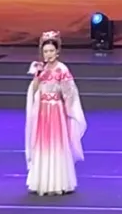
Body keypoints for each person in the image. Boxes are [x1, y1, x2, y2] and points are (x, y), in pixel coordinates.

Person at [25, 31, 87, 195]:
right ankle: (42, 181)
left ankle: (57, 182)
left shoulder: (62, 69)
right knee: (42, 144)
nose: (49, 54)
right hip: (43, 111)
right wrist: (37, 75)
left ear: (57, 51)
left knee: (56, 144)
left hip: (56, 111)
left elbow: (69, 93)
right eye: (46, 51)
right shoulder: (40, 68)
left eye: (51, 51)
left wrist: (67, 109)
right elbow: (34, 89)